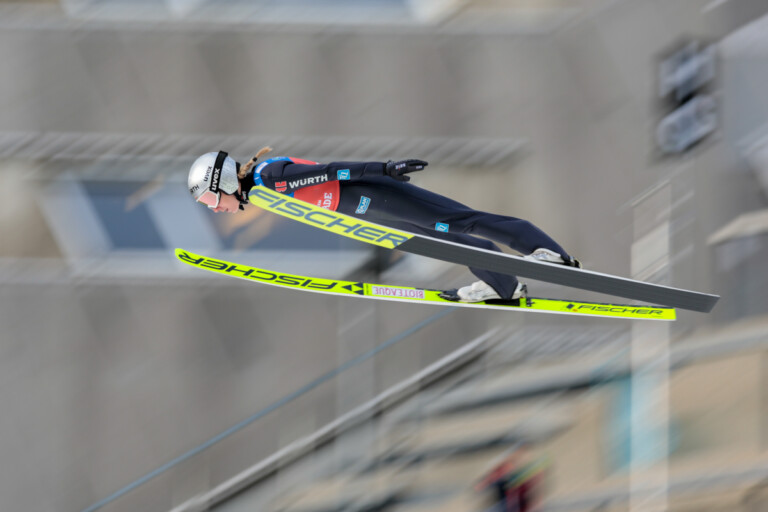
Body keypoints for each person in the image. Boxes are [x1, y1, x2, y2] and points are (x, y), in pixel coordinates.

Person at [187, 147, 580, 302]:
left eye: (210, 199)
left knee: (461, 222)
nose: (215, 208)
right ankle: (505, 285)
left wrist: (385, 168)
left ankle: (551, 255)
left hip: (376, 195)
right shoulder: (259, 191)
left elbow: (331, 172)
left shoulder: (269, 178)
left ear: (221, 180)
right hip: (366, 211)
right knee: (446, 243)